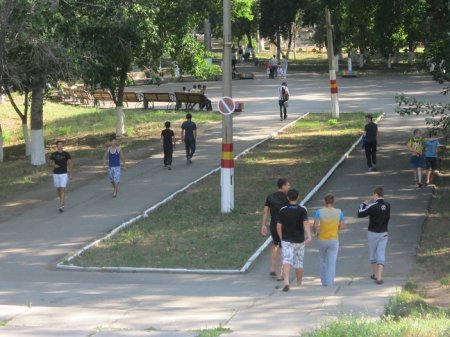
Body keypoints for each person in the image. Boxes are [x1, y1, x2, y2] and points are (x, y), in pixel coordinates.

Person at [277, 189, 312, 292]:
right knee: (299, 262)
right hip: (299, 240)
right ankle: (299, 282)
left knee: (287, 260)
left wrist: (281, 238)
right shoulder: (302, 209)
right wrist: (309, 236)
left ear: (288, 198)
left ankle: (287, 282)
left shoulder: (283, 210)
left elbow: (278, 226)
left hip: (287, 239)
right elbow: (305, 223)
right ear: (297, 197)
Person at [357, 187, 391, 285]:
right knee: (381, 253)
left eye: (373, 195)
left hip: (373, 233)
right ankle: (379, 277)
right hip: (384, 232)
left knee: (373, 254)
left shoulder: (372, 206)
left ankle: (375, 274)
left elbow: (360, 214)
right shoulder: (388, 205)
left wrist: (363, 204)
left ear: (376, 194)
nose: (372, 196)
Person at [261, 178, 290, 280]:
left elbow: (265, 211)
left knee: (275, 244)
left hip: (273, 225)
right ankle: (279, 274)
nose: (289, 187)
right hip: (283, 226)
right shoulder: (287, 198)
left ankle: (272, 268)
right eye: (288, 185)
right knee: (282, 248)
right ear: (283, 186)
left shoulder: (270, 197)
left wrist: (263, 225)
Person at [313, 194, 345, 287]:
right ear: (333, 201)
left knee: (322, 260)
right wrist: (336, 228)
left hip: (322, 239)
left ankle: (324, 282)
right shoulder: (339, 212)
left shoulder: (319, 212)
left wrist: (316, 233)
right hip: (334, 239)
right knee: (332, 262)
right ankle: (330, 283)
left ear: (325, 202)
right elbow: (342, 226)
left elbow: (315, 226)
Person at [48, 140, 73, 212]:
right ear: (56, 146)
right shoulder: (54, 154)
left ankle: (61, 205)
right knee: (58, 189)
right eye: (59, 145)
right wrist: (53, 165)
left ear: (63, 146)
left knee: (62, 189)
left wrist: (71, 174)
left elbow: (70, 164)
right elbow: (49, 163)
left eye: (61, 144)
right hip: (56, 174)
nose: (60, 146)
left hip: (64, 174)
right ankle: (62, 200)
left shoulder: (66, 154)